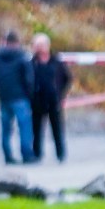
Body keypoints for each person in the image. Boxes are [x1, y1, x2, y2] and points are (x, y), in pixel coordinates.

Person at [27, 33, 74, 161]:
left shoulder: (57, 62)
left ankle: (60, 154)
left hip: (54, 101)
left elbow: (68, 78)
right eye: (36, 45)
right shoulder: (31, 63)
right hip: (37, 101)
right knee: (36, 130)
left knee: (57, 130)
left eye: (41, 45)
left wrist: (61, 94)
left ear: (47, 46)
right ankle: (37, 154)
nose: (39, 48)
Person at [0, 30, 33, 165]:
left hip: (4, 98)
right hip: (20, 97)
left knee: (6, 129)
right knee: (24, 127)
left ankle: (8, 155)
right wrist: (28, 93)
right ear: (17, 42)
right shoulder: (22, 58)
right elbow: (29, 79)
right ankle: (26, 155)